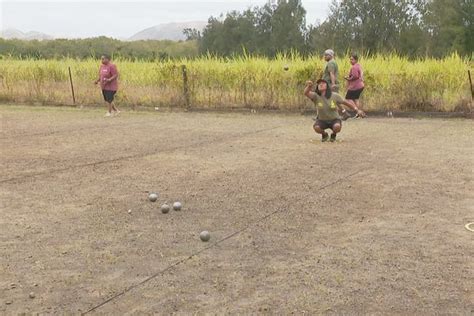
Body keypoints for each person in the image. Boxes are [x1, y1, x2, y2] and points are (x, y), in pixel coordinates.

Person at [322, 49, 351, 120]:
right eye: (325, 55)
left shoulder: (331, 63)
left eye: (326, 55)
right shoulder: (333, 62)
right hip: (330, 84)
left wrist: (333, 84)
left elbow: (331, 73)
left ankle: (323, 116)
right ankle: (345, 113)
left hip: (329, 84)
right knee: (336, 100)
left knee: (324, 98)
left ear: (331, 55)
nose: (325, 56)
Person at [344, 53, 365, 118]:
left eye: (352, 59)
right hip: (360, 85)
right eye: (350, 59)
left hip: (355, 86)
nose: (350, 61)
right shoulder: (358, 66)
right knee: (356, 99)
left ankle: (357, 111)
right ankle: (358, 113)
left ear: (356, 60)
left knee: (348, 98)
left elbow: (355, 76)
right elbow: (360, 74)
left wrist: (348, 78)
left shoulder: (354, 67)